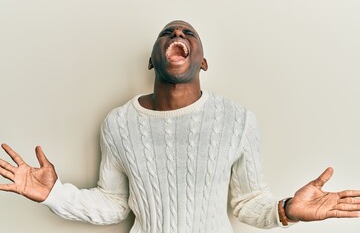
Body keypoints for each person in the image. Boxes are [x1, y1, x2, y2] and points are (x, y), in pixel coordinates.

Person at [1, 20, 360, 233]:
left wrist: (286, 211)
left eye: (188, 32)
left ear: (202, 61)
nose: (178, 34)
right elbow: (114, 204)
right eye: (168, 33)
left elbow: (247, 202)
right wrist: (54, 195)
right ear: (152, 58)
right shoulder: (119, 123)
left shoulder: (238, 119)